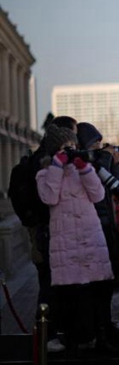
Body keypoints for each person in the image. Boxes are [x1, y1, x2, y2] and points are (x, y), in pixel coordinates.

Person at [36, 125, 113, 351]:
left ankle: (98, 335)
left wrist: (86, 169)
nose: (70, 151)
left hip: (90, 237)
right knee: (71, 295)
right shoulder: (44, 173)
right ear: (54, 151)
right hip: (66, 242)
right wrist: (57, 166)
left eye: (73, 146)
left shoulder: (83, 170)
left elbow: (98, 195)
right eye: (65, 148)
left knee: (95, 290)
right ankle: (75, 337)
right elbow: (49, 197)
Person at [8, 115, 77, 352]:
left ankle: (49, 335)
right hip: (47, 234)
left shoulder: (35, 161)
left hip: (40, 232)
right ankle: (47, 337)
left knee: (47, 283)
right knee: (50, 285)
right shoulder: (46, 165)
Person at [76, 121, 119, 351]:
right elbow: (96, 191)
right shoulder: (82, 165)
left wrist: (116, 164)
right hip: (94, 231)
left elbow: (114, 188)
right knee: (97, 288)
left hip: (107, 229)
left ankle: (105, 327)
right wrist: (105, 159)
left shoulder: (97, 162)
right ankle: (98, 333)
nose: (101, 147)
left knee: (107, 285)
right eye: (96, 143)